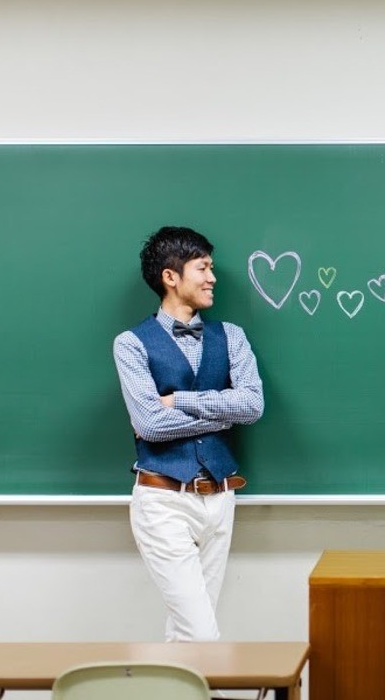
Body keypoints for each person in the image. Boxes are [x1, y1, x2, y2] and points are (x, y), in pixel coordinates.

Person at [113, 225, 264, 642]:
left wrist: (178, 400)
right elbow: (149, 424)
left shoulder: (232, 336)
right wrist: (222, 413)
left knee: (188, 632)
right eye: (204, 268)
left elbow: (252, 405)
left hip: (220, 498)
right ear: (170, 276)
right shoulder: (130, 344)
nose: (213, 277)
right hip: (163, 500)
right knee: (201, 633)